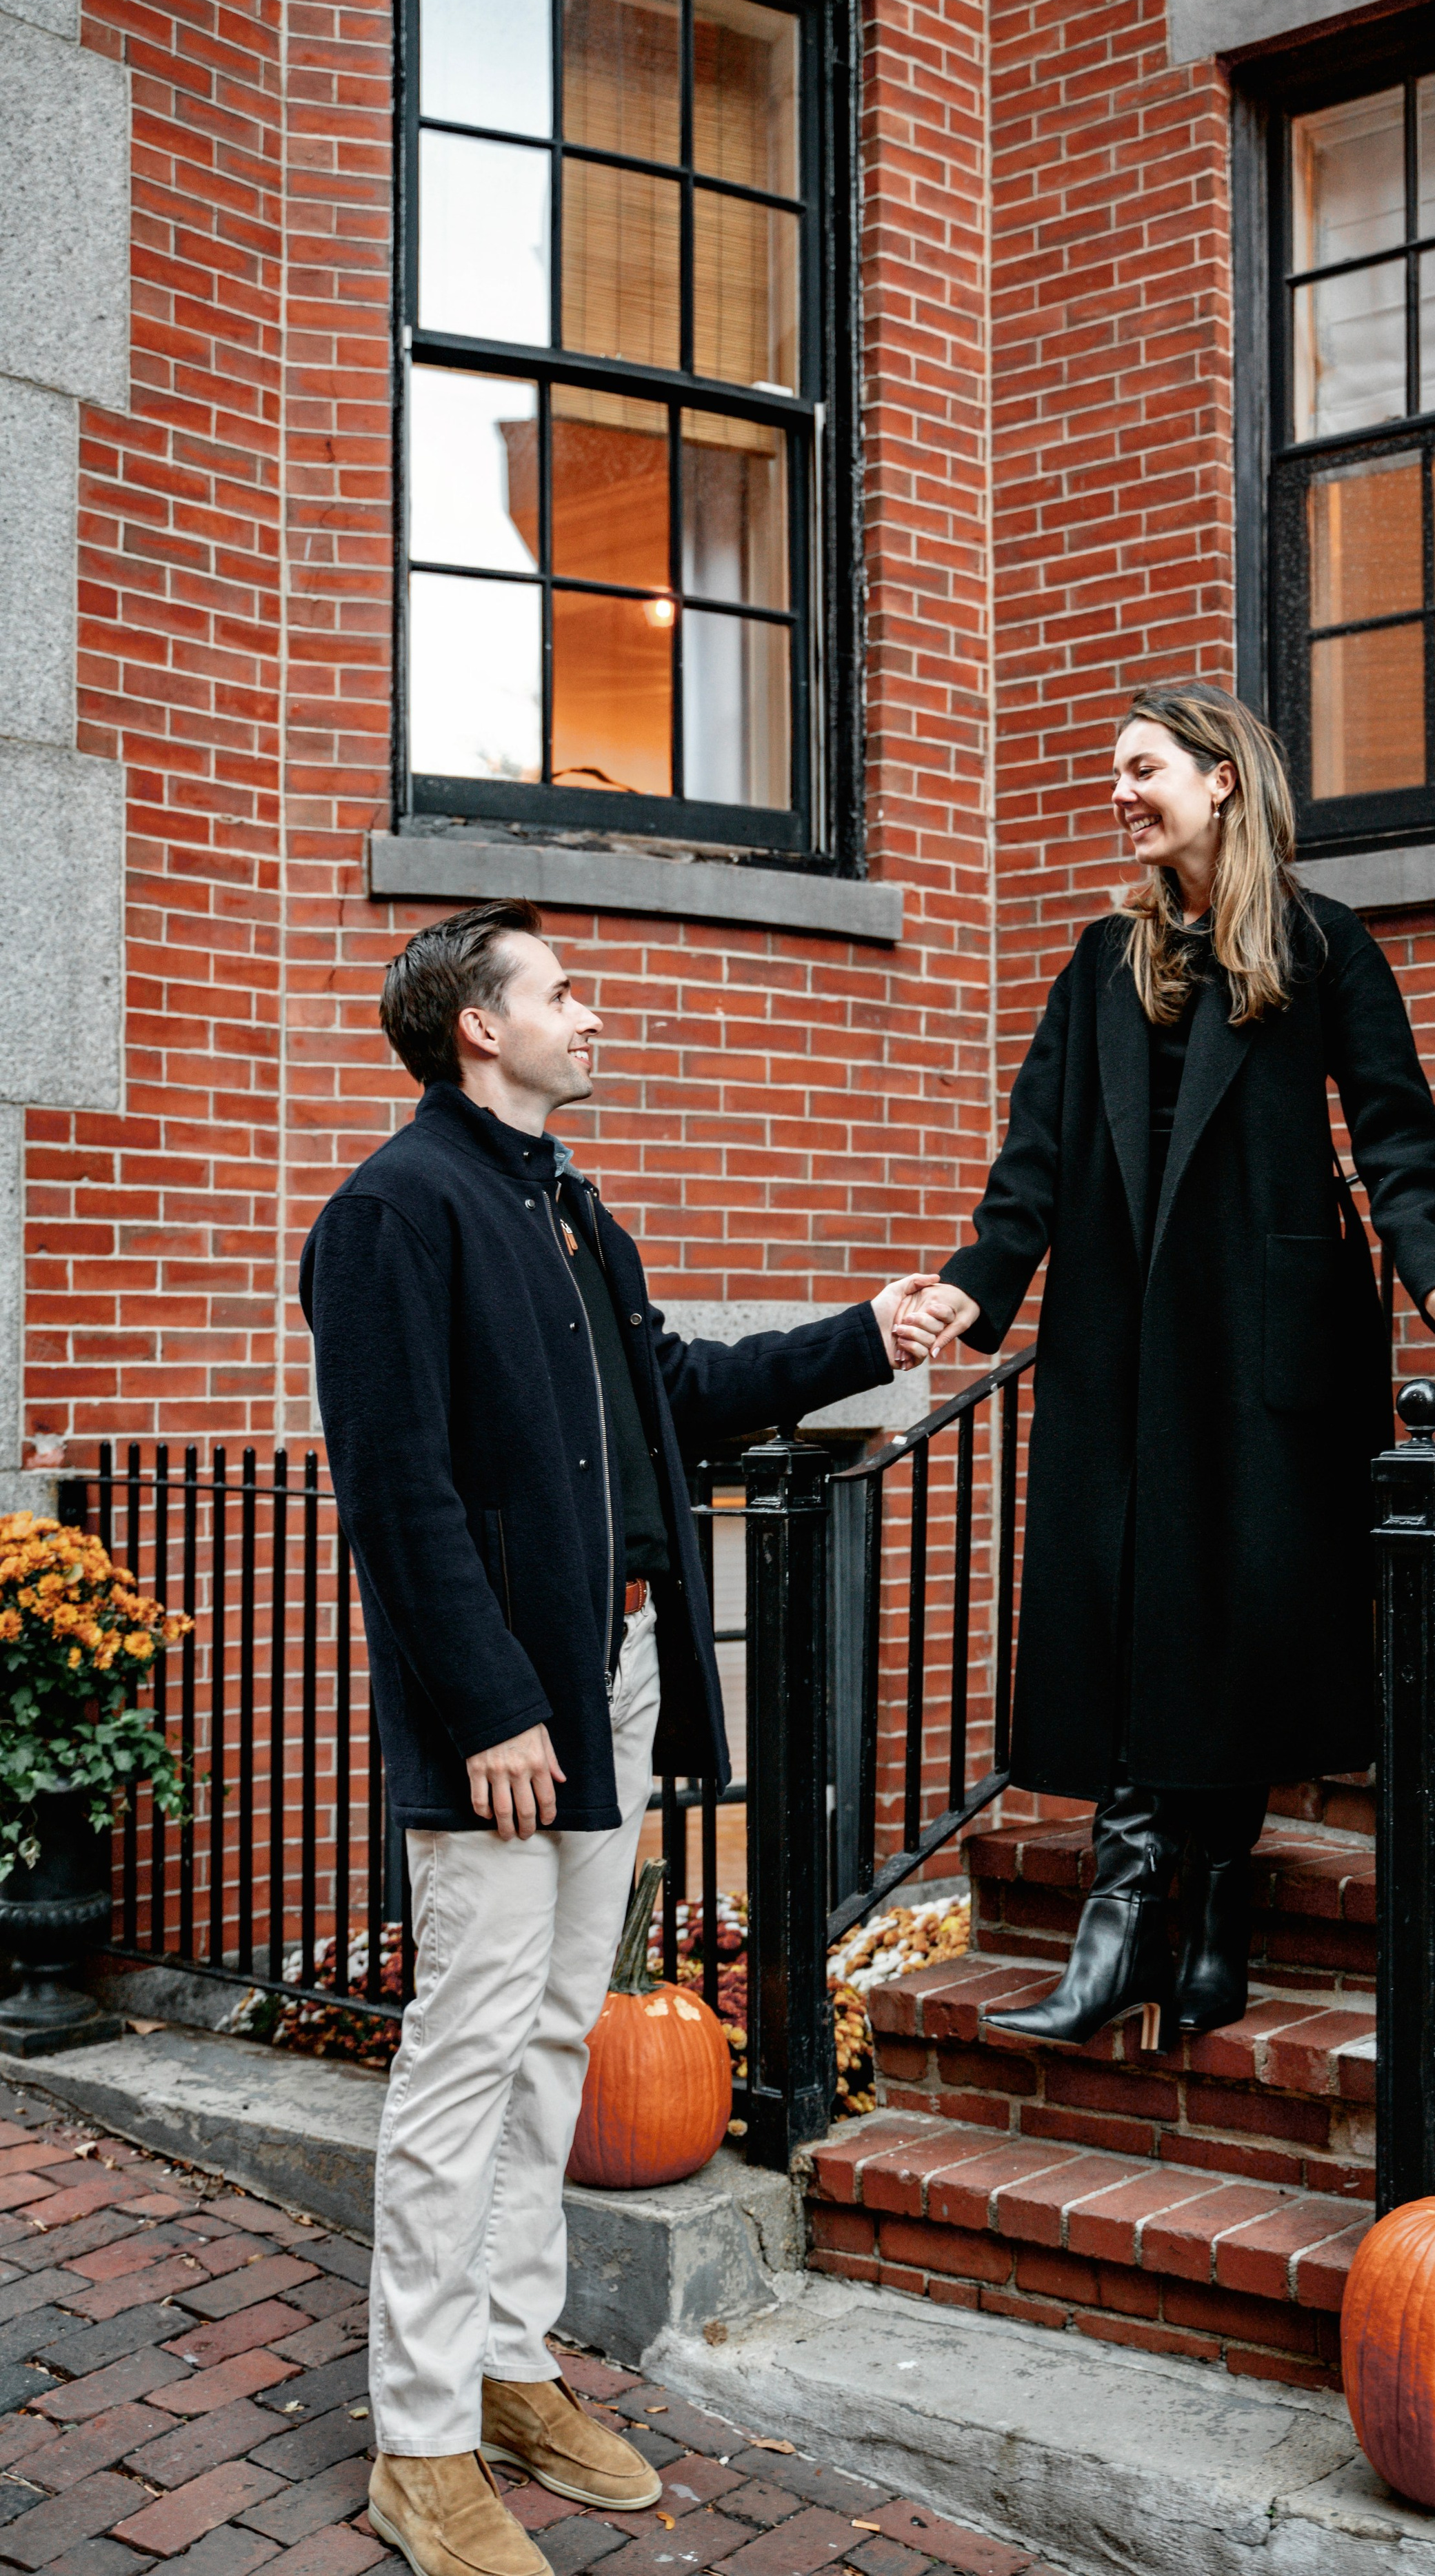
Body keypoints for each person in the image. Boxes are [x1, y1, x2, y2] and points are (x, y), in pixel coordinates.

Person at [300, 900, 938, 2576]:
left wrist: (860, 1338)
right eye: (563, 992)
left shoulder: (569, 1210)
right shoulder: (392, 1211)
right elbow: (397, 1494)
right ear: (478, 1028)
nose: (593, 1016)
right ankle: (421, 2443)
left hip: (621, 1676)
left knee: (550, 2043)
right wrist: (490, 1705)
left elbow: (675, 1393)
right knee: (465, 2055)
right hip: (511, 1708)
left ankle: (510, 2368)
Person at [900, 685, 1435, 2051]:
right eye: (1115, 773)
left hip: (1261, 1336)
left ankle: (1215, 1913)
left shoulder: (1319, 944)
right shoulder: (1100, 961)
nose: (1119, 793)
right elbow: (1034, 1156)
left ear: (1222, 779)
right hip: (1120, 1336)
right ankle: (1128, 1920)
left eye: (1143, 768)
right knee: (1133, 1603)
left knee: (1233, 1613)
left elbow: (1398, 1131)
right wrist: (972, 1284)